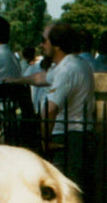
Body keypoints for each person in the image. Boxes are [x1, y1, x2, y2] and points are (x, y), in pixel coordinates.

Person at [40, 22, 95, 188]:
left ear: (56, 45)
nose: (42, 45)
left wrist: (44, 141)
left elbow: (50, 109)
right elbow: (42, 78)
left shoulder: (67, 70)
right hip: (80, 133)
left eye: (44, 40)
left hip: (68, 136)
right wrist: (15, 80)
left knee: (65, 190)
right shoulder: (78, 64)